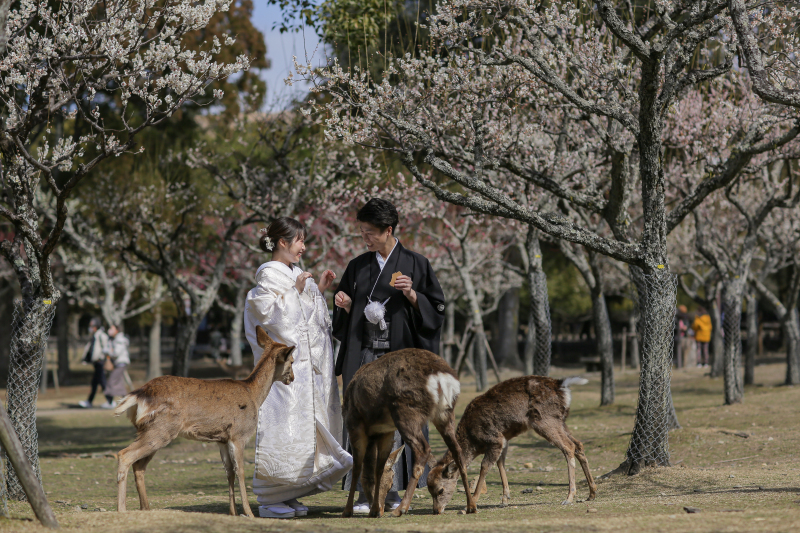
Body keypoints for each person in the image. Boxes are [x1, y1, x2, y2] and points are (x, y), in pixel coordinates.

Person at [332, 198, 446, 514]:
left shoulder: (417, 264)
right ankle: (366, 493)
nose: (364, 238)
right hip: (365, 355)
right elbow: (345, 319)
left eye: (369, 232)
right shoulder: (357, 266)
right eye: (362, 232)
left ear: (388, 230)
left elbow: (436, 310)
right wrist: (343, 304)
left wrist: (412, 295)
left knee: (399, 421)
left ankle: (391, 490)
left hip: (400, 361)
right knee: (363, 421)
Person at [244, 217, 352, 519]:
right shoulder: (268, 275)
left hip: (308, 369)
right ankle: (269, 498)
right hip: (285, 370)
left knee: (303, 428)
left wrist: (317, 290)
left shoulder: (293, 273)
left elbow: (310, 318)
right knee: (283, 426)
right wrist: (295, 292)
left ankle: (291, 492)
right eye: (299, 241)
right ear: (282, 242)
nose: (304, 247)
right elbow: (266, 315)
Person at [79, 318, 111, 409]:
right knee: (95, 383)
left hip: (100, 362)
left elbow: (106, 348)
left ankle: (110, 401)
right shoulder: (95, 335)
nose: (90, 328)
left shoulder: (101, 335)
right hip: (96, 363)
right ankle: (89, 401)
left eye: (92, 326)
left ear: (96, 326)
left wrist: (104, 358)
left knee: (102, 382)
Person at [103, 325, 130, 408]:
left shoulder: (119, 339)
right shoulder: (112, 339)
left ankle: (110, 402)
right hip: (118, 363)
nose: (109, 330)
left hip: (121, 363)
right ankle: (127, 402)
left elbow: (116, 353)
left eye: (112, 329)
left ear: (117, 330)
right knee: (120, 383)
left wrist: (109, 352)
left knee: (111, 381)